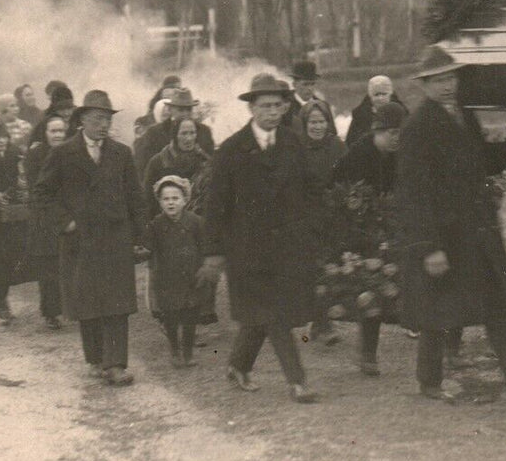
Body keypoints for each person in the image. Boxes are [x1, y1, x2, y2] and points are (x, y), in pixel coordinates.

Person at [394, 46, 506, 406]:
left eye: (451, 77)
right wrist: (429, 247)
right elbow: (413, 194)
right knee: (437, 312)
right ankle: (429, 382)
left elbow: (485, 161)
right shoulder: (417, 128)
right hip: (445, 236)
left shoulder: (464, 117)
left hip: (477, 231)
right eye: (438, 80)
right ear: (424, 85)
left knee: (495, 307)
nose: (447, 85)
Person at [202, 74, 321, 403]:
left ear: (286, 108)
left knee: (261, 316)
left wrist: (309, 230)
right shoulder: (230, 151)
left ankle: (238, 366)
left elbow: (311, 191)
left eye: (278, 106)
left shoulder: (293, 143)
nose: (272, 112)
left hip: (286, 248)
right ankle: (297, 381)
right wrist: (213, 252)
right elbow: (215, 206)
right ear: (251, 109)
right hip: (246, 250)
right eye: (264, 106)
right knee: (275, 314)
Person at [32, 90, 145, 386]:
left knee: (117, 303)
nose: (104, 125)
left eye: (107, 119)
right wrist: (64, 222)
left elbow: (135, 196)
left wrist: (139, 233)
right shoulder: (63, 153)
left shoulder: (121, 153)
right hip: (80, 240)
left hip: (115, 238)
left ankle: (116, 364)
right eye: (97, 118)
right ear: (82, 120)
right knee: (89, 304)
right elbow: (42, 193)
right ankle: (96, 359)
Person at [331, 101, 407, 375]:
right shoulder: (358, 155)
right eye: (391, 133)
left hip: (390, 228)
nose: (397, 138)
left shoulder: (401, 155)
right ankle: (368, 354)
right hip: (358, 232)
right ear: (377, 131)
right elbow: (337, 191)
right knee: (369, 290)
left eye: (401, 132)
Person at [146, 175, 212, 368]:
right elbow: (151, 250)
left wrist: (203, 268)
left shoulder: (196, 222)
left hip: (192, 278)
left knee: (191, 316)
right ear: (160, 203)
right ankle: (175, 350)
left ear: (185, 200)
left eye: (175, 198)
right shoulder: (156, 225)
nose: (171, 203)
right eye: (166, 199)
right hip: (167, 280)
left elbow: (204, 247)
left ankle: (188, 353)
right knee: (171, 318)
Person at [299, 98, 347, 346]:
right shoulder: (296, 148)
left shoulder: (337, 146)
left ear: (329, 122)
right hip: (305, 218)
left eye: (322, 121)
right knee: (313, 269)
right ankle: (322, 323)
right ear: (304, 123)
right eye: (312, 122)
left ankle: (321, 322)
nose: (317, 126)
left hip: (332, 217)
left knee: (330, 268)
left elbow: (348, 177)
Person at [23, 114, 70, 327]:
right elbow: (38, 188)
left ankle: (68, 307)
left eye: (61, 131)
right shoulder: (35, 155)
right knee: (48, 267)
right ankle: (51, 312)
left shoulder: (71, 152)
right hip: (44, 216)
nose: (58, 135)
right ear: (45, 133)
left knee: (67, 264)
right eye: (54, 131)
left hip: (67, 214)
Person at [0, 118, 29, 322]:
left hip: (13, 212)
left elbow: (22, 177)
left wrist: (20, 186)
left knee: (12, 255)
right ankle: (2, 300)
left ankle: (4, 297)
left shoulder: (14, 152)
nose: (0, 141)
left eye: (3, 137)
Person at [134, 88, 215, 177]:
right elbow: (144, 168)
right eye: (181, 110)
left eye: (188, 109)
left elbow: (211, 164)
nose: (185, 114)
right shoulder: (154, 133)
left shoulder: (204, 132)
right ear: (170, 110)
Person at [142, 116, 213, 215]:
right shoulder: (159, 162)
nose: (189, 138)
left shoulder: (205, 162)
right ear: (175, 136)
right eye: (184, 133)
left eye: (192, 133)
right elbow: (147, 201)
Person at [345, 75, 405, 148]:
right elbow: (351, 143)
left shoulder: (402, 114)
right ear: (370, 96)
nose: (380, 98)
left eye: (384, 94)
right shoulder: (360, 117)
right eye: (376, 94)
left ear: (390, 94)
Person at [28, 82, 76, 147]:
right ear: (54, 110)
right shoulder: (43, 123)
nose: (66, 113)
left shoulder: (79, 120)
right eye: (62, 109)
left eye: (69, 109)